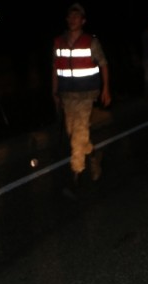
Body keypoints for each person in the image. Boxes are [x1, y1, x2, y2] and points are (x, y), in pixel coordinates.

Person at [52, 3, 110, 188]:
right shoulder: (59, 41)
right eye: (70, 16)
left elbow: (103, 64)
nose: (72, 20)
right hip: (67, 95)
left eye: (76, 17)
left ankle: (75, 176)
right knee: (73, 133)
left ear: (83, 21)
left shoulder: (91, 41)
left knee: (79, 134)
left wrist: (106, 88)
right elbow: (55, 68)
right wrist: (54, 93)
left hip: (86, 95)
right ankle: (93, 155)